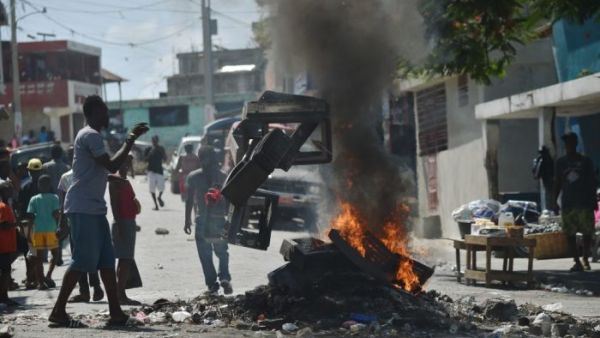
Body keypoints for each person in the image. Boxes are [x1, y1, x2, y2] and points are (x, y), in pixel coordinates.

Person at [48, 95, 148, 328]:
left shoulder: (90, 135)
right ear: (93, 113)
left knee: (105, 262)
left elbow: (99, 170)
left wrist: (114, 178)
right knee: (81, 260)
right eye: (103, 112)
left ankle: (116, 312)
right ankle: (58, 311)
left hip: (93, 209)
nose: (107, 116)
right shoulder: (90, 135)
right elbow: (111, 163)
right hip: (83, 207)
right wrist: (130, 139)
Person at [57, 147, 104, 303]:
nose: (73, 157)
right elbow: (62, 204)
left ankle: (95, 287)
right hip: (73, 223)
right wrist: (61, 224)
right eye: (70, 155)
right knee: (79, 257)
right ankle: (85, 291)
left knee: (88, 255)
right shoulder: (65, 178)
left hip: (89, 219)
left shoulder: (89, 174)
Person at [184, 146, 232, 295]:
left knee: (205, 255)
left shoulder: (193, 176)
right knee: (222, 252)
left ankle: (212, 284)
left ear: (200, 157)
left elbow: (189, 200)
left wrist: (187, 220)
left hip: (202, 221)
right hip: (219, 220)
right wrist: (230, 220)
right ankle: (224, 277)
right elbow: (230, 200)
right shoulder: (223, 176)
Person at [553, 132, 598, 272]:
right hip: (568, 203)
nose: (568, 146)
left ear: (575, 143)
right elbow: (557, 183)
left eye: (571, 142)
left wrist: (593, 200)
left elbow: (592, 181)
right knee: (569, 234)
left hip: (584, 202)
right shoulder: (560, 163)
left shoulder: (585, 161)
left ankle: (585, 258)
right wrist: (554, 201)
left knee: (587, 232)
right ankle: (576, 261)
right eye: (566, 143)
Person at [108, 155, 141, 305]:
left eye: (129, 162)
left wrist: (136, 207)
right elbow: (114, 205)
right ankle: (120, 294)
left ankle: (120, 293)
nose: (127, 165)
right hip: (123, 223)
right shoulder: (115, 180)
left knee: (125, 259)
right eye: (125, 162)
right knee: (125, 259)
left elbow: (131, 201)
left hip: (129, 221)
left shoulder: (125, 181)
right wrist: (119, 224)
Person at [26, 175, 60, 290]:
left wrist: (28, 233)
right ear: (49, 185)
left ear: (38, 186)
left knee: (39, 258)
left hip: (38, 231)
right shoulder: (54, 197)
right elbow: (56, 214)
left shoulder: (34, 199)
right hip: (51, 230)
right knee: (55, 254)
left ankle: (41, 282)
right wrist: (59, 225)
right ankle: (48, 275)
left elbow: (30, 217)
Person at [18, 158, 44, 289]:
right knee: (37, 252)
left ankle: (32, 277)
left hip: (29, 222)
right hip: (40, 223)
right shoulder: (44, 186)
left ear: (28, 171)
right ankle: (34, 278)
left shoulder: (25, 186)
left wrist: (22, 224)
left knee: (31, 251)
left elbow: (21, 208)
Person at [0, 180, 19, 306]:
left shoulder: (6, 206)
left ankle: (4, 295)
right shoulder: (3, 207)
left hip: (7, 244)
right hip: (3, 245)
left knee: (6, 270)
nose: (11, 191)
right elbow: (2, 225)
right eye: (9, 190)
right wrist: (15, 224)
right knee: (6, 271)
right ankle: (4, 296)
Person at [145, 135, 166, 210]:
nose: (154, 142)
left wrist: (160, 152)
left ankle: (159, 197)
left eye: (156, 140)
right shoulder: (148, 149)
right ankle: (156, 205)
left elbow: (165, 158)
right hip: (151, 171)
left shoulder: (161, 148)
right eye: (153, 140)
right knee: (152, 189)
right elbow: (145, 160)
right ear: (152, 141)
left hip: (159, 170)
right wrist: (150, 153)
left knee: (162, 187)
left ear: (158, 141)